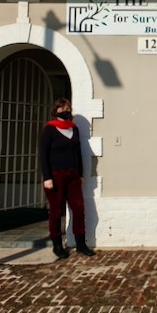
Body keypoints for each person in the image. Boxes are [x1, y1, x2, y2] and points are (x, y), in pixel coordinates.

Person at [40, 98, 94, 258]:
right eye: (62, 108)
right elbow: (43, 155)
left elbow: (78, 153)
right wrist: (47, 177)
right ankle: (57, 245)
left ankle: (81, 244)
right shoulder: (49, 130)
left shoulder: (74, 129)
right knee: (56, 211)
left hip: (73, 175)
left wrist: (81, 174)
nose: (66, 111)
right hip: (56, 176)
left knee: (78, 209)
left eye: (68, 108)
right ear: (56, 111)